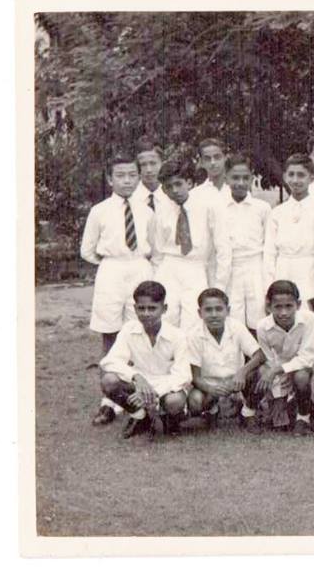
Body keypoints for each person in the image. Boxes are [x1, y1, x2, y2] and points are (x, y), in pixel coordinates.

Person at [81, 153, 155, 425]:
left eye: (132, 175)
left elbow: (153, 247)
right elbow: (87, 250)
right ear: (110, 179)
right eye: (120, 175)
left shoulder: (147, 211)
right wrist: (112, 263)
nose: (127, 181)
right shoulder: (99, 211)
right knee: (110, 335)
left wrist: (136, 264)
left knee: (139, 332)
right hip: (111, 271)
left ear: (139, 178)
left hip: (139, 268)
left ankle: (137, 397)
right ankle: (108, 402)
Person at [98, 281, 192, 440]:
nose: (146, 313)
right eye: (141, 308)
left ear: (164, 309)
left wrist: (154, 392)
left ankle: (168, 418)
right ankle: (140, 416)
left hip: (166, 387)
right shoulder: (129, 329)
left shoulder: (177, 336)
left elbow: (183, 375)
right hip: (139, 384)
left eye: (152, 308)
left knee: (175, 401)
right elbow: (110, 361)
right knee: (109, 380)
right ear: (135, 308)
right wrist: (137, 377)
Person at [149, 157, 231, 331]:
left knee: (193, 321)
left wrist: (219, 286)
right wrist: (158, 278)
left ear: (189, 183)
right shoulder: (162, 211)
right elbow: (157, 252)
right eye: (169, 187)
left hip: (196, 267)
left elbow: (223, 248)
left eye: (178, 184)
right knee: (166, 319)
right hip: (169, 266)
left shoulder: (208, 206)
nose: (175, 190)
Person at [185, 288, 266, 432]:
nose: (214, 315)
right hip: (209, 385)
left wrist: (241, 372)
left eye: (219, 309)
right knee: (195, 401)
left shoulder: (236, 327)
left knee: (262, 371)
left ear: (227, 310)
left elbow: (259, 355)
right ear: (199, 313)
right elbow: (195, 377)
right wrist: (211, 389)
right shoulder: (193, 335)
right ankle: (212, 411)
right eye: (208, 310)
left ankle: (248, 412)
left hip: (236, 381)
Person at [255, 280, 314, 435]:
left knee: (301, 376)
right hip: (277, 370)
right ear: (269, 306)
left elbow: (307, 356)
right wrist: (278, 393)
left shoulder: (309, 319)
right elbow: (269, 359)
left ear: (298, 305)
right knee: (279, 423)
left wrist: (277, 370)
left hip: (301, 367)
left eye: (289, 306)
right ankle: (289, 405)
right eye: (278, 307)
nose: (283, 312)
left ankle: (303, 417)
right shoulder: (262, 326)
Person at [263, 153, 314, 313]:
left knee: (306, 318)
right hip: (282, 271)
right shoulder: (277, 212)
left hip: (309, 274)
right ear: (285, 176)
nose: (296, 180)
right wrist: (268, 289)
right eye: (291, 174)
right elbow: (270, 254)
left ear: (311, 177)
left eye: (301, 175)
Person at [220, 153, 271, 333]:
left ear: (251, 178)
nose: (240, 183)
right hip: (230, 268)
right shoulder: (217, 207)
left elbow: (269, 245)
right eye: (235, 178)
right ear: (226, 178)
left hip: (256, 267)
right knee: (233, 318)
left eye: (245, 178)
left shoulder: (262, 208)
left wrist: (268, 278)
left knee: (259, 317)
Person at [129, 136, 167, 212]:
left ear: (162, 163)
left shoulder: (172, 196)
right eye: (143, 164)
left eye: (153, 163)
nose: (148, 170)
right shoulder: (130, 198)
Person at [189, 137, 232, 205]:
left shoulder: (238, 190)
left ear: (225, 158)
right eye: (207, 158)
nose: (213, 162)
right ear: (201, 162)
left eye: (217, 157)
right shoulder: (195, 195)